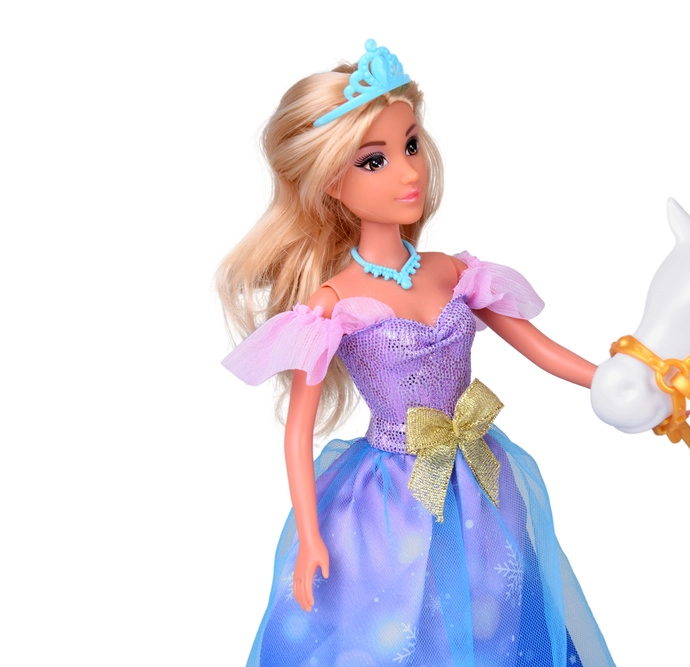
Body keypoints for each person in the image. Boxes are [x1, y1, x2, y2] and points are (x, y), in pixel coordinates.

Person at [218, 40, 615, 667]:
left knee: (498, 617)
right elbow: (298, 433)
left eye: (410, 146)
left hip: (482, 479)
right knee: (404, 627)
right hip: (390, 500)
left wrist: (618, 379)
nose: (408, 173)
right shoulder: (332, 303)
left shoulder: (454, 272)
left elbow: (540, 349)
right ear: (331, 184)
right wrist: (310, 534)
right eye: (373, 161)